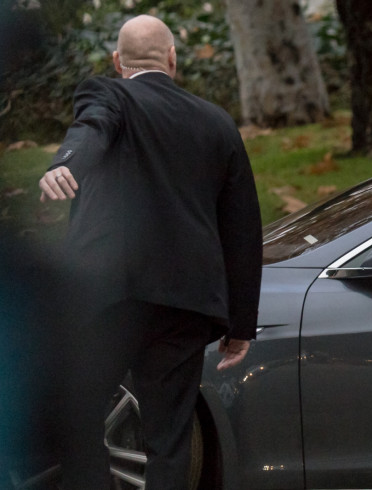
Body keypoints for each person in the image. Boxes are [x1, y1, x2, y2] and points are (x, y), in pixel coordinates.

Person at [38, 15, 262, 489]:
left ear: (119, 62)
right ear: (173, 60)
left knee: (76, 417)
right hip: (183, 304)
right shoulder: (217, 122)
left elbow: (91, 129)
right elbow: (242, 230)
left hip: (107, 298)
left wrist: (65, 164)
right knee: (170, 437)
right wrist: (241, 325)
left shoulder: (109, 93)